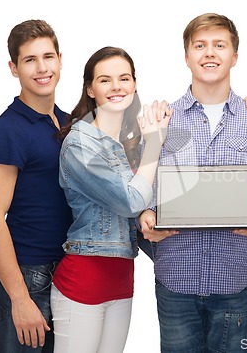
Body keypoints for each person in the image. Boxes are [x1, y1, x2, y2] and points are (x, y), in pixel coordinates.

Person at [139, 13, 247, 353]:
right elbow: (144, 189)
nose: (210, 53)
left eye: (219, 45)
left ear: (234, 56)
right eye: (200, 46)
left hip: (234, 277)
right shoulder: (163, 120)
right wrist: (145, 216)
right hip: (176, 276)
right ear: (187, 56)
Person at [50, 46, 172, 353]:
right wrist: (156, 142)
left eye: (124, 78)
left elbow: (149, 200)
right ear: (90, 89)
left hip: (121, 279)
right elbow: (130, 201)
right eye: (105, 80)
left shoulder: (129, 141)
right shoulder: (81, 143)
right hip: (84, 280)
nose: (116, 86)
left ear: (134, 84)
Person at [0, 19, 73, 352]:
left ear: (60, 60)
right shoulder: (6, 131)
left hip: (67, 272)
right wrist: (19, 298)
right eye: (29, 60)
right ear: (14, 68)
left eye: (48, 57)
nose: (42, 67)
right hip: (28, 276)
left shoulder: (67, 122)